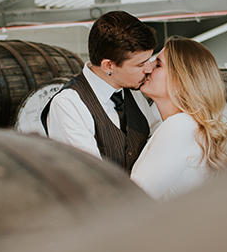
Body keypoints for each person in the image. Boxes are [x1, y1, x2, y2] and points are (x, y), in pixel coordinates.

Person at [42, 11, 160, 173]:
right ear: (108, 66)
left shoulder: (132, 89)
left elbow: (154, 139)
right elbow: (89, 175)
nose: (149, 69)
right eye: (140, 64)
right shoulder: (69, 104)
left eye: (149, 60)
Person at [130, 36, 227, 200]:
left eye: (158, 64)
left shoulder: (179, 127)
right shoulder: (190, 125)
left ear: (180, 81)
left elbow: (135, 197)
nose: (148, 68)